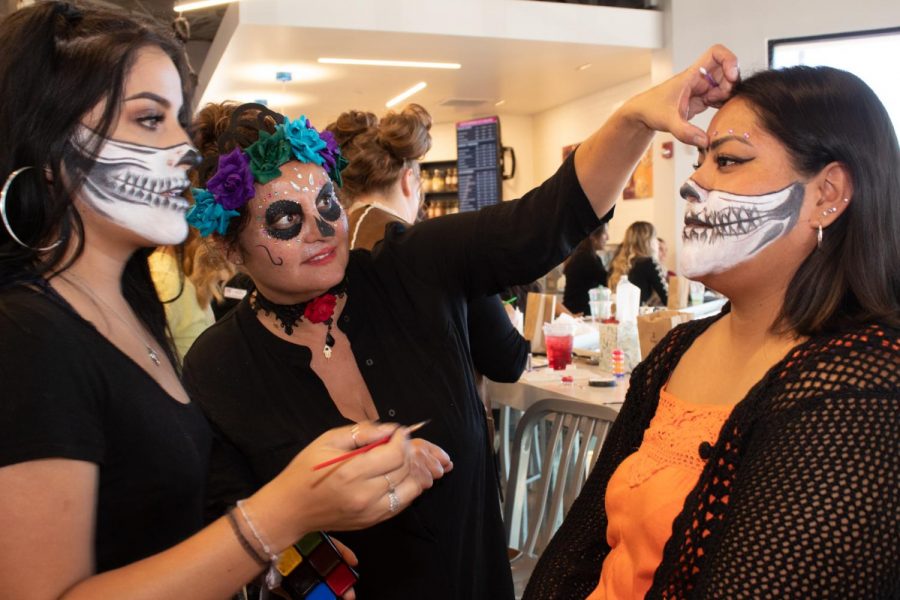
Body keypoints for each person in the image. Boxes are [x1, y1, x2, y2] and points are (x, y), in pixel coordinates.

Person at [179, 45, 741, 599]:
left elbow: (540, 224)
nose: (321, 228)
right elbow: (232, 514)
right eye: (284, 219)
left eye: (328, 203)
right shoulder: (219, 366)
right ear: (229, 246)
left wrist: (634, 118)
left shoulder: (414, 268)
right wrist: (306, 565)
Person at [0, 4, 434, 599]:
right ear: (55, 151)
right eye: (150, 119)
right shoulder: (27, 334)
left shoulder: (128, 313)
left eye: (179, 119)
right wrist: (282, 513)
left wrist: (299, 553)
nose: (184, 150)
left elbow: (172, 522)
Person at [525, 65, 900, 599]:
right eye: (700, 160)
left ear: (827, 194)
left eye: (727, 160)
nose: (693, 182)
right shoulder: (678, 350)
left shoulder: (864, 387)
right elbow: (581, 545)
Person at [329, 103, 529, 385]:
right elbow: (508, 362)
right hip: (432, 420)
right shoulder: (440, 248)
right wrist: (510, 321)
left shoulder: (329, 245)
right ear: (410, 181)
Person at [608, 220, 668, 305]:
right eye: (654, 237)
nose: (657, 242)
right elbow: (667, 298)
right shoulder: (649, 263)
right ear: (647, 242)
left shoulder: (617, 263)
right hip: (639, 316)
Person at [562, 222, 610, 315]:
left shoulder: (583, 255)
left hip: (574, 311)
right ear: (593, 236)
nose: (608, 238)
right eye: (605, 233)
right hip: (578, 314)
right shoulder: (586, 258)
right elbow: (608, 281)